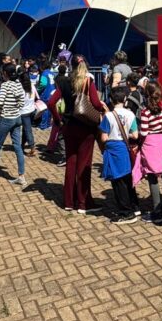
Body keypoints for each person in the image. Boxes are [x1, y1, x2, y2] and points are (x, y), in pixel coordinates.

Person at [47, 55, 106, 212]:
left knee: (71, 163)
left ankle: (68, 202)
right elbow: (95, 102)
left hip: (68, 126)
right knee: (84, 165)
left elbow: (51, 103)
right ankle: (83, 202)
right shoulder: (88, 82)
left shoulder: (64, 82)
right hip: (85, 127)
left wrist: (58, 120)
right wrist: (103, 108)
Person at [99, 87, 140, 224]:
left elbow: (104, 138)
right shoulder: (130, 115)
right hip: (124, 147)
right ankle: (134, 206)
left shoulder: (108, 116)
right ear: (125, 100)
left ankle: (126, 212)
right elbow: (135, 135)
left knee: (118, 182)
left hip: (113, 149)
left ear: (111, 100)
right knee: (127, 178)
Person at [137, 81, 162, 222]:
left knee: (152, 175)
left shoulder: (145, 112)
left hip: (150, 142)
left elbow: (144, 131)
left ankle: (157, 211)